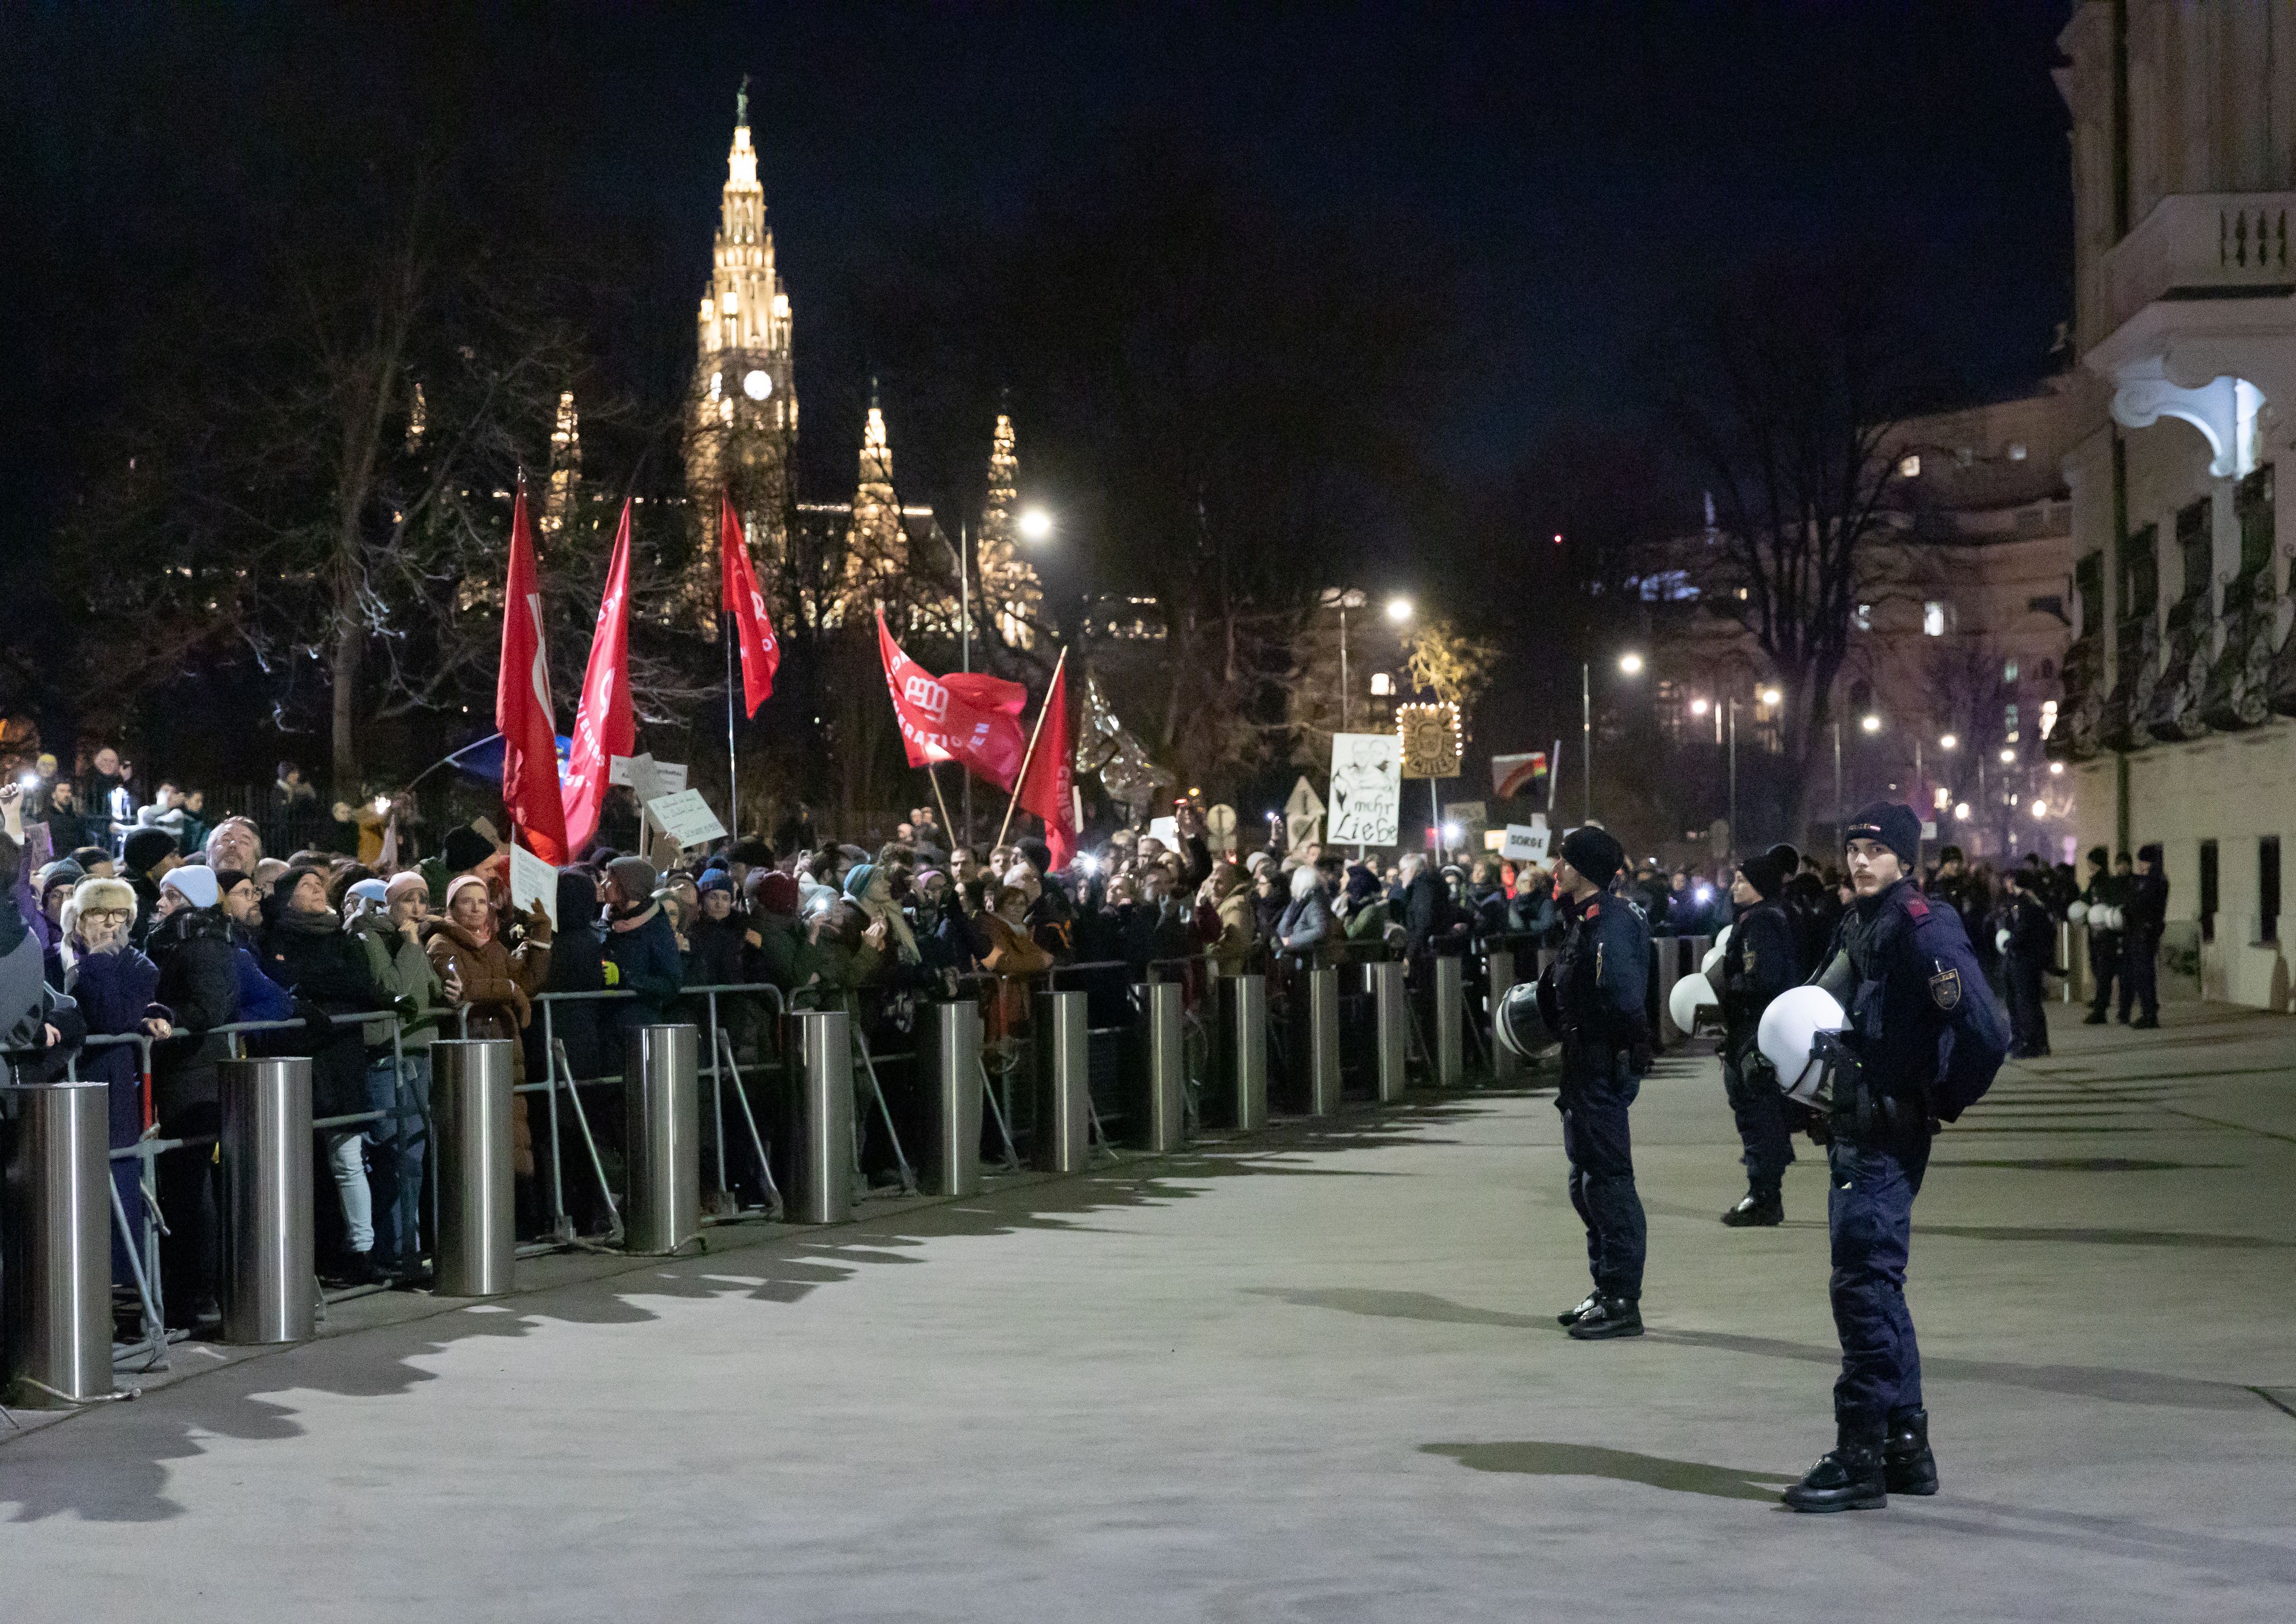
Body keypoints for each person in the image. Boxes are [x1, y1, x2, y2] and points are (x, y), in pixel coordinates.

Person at [1782, 802, 2007, 1513]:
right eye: (1852, 847)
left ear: (1905, 858)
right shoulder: (1863, 922)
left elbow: (1985, 1032)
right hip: (1856, 1126)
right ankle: (1906, 1449)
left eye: (1875, 848)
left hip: (1884, 1135)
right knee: (1877, 1285)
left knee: (1862, 1287)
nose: (1858, 859)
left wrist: (1943, 1098)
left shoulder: (1920, 926)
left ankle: (1859, 1457)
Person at [258, 864, 389, 1284]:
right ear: (287, 896)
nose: (318, 890)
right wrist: (325, 992)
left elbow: (362, 984)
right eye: (307, 885)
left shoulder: (341, 936)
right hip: (298, 1061)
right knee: (301, 1163)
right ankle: (305, 1257)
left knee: (348, 1159)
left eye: (320, 885)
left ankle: (360, 1251)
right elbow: (284, 983)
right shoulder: (274, 938)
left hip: (341, 1062)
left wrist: (317, 996)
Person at [1546, 826, 1651, 1341]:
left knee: (1608, 1184)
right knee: (1586, 1183)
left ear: (1582, 868)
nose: (1555, 867)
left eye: (1563, 859)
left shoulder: (1609, 920)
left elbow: (1620, 994)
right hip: (1583, 1064)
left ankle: (1622, 1299)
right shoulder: (1587, 918)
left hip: (1600, 1064)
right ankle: (1604, 1287)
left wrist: (1624, 1053)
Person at [351, 873, 454, 1276]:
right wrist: (413, 945)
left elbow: (425, 995)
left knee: (413, 1155)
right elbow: (394, 989)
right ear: (389, 903)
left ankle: (406, 1246)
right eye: (408, 899)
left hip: (416, 1054)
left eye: (423, 899)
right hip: (388, 1058)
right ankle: (393, 1251)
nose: (417, 908)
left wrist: (452, 994)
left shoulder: (408, 942)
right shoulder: (370, 937)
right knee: (394, 1155)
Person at [1717, 845, 1802, 1226]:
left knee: (1758, 1113)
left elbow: (1761, 979)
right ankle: (1764, 1189)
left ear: (1759, 886)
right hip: (1754, 1029)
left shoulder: (1760, 923)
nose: (1734, 886)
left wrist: (1720, 987)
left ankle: (1764, 1195)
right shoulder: (1760, 917)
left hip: (1755, 1031)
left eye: (1741, 880)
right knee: (1757, 1112)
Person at [1997, 867, 2055, 1059]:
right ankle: (2037, 1042)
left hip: (2024, 959)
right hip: (2028, 959)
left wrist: (2010, 941)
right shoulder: (2031, 902)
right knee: (2029, 1002)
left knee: (2025, 1003)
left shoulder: (2025, 903)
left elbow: (2023, 929)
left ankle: (2031, 1043)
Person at [2120, 842, 2167, 1028]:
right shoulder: (2148, 881)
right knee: (2140, 974)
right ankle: (2148, 1011)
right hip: (2140, 931)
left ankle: (2149, 1014)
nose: (2142, 866)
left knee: (2144, 974)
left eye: (2145, 862)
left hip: (2145, 932)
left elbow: (2144, 905)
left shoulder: (2156, 882)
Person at [2077, 845, 2123, 1024]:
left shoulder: (2103, 882)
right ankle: (2100, 1004)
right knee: (2098, 968)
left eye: (2091, 862)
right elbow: (2087, 900)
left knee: (2103, 971)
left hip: (2104, 934)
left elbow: (2100, 903)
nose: (2088, 865)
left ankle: (2101, 1009)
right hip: (2097, 932)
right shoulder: (2096, 881)